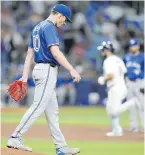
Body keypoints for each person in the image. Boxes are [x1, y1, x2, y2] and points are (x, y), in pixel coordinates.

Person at [7, 4, 81, 155]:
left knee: (52, 111)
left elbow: (29, 55)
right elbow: (55, 52)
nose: (64, 23)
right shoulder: (49, 27)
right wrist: (71, 68)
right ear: (60, 15)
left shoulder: (37, 28)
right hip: (47, 70)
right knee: (38, 105)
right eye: (65, 19)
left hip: (39, 69)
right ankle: (15, 136)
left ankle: (61, 147)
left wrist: (25, 76)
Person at [97, 41, 141, 136]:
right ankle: (116, 130)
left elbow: (111, 75)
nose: (101, 51)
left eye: (103, 49)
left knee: (114, 110)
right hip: (120, 86)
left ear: (107, 50)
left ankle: (134, 101)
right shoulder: (118, 59)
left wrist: (103, 79)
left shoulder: (108, 60)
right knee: (109, 108)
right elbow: (124, 72)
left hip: (115, 87)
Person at [123, 39, 144, 133]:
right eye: (131, 46)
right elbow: (123, 71)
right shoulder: (126, 57)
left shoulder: (143, 57)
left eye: (134, 45)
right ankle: (133, 126)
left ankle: (144, 126)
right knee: (131, 105)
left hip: (140, 82)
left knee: (142, 105)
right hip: (129, 82)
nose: (133, 47)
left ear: (138, 46)